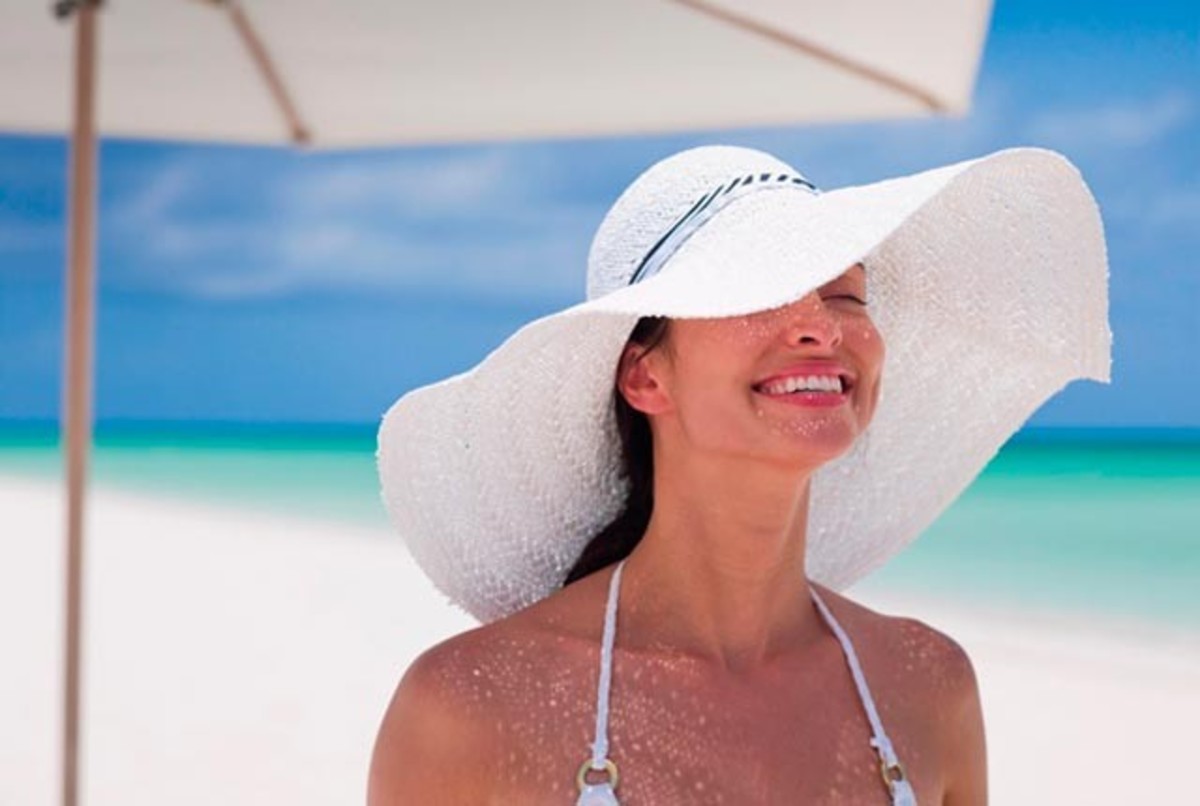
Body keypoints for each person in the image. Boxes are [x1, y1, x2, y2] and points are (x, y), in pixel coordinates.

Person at [367, 144, 1112, 804]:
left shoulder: (928, 686)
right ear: (645, 377)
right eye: (758, 291)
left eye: (846, 294)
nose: (820, 324)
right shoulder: (470, 710)